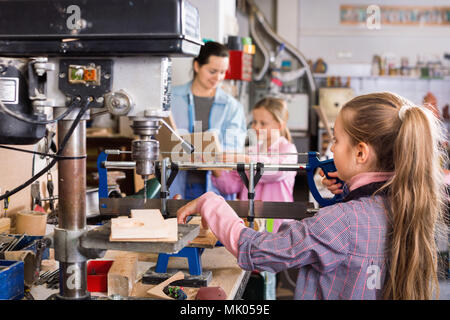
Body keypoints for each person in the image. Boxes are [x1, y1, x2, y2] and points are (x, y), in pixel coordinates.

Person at [177, 92, 448, 300]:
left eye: (336, 141)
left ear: (361, 153)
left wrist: (211, 204)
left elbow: (258, 251)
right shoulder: (405, 205)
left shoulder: (342, 222)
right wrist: (348, 192)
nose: (330, 149)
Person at [211, 97, 297, 300]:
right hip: (250, 222)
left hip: (273, 223)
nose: (256, 127)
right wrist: (215, 168)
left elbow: (273, 172)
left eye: (263, 123)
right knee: (249, 276)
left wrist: (244, 160)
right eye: (254, 122)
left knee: (266, 275)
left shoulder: (288, 150)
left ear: (280, 124)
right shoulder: (251, 150)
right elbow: (229, 185)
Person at [169, 41, 247, 200]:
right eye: (212, 71)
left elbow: (233, 150)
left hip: (215, 189)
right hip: (175, 184)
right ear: (197, 66)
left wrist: (211, 157)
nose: (218, 78)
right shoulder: (171, 99)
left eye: (223, 72)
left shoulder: (232, 107)